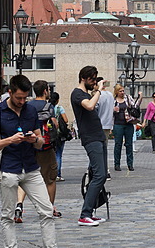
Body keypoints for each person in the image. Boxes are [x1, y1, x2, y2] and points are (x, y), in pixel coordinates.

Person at [0, 75, 77, 248]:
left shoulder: (30, 110)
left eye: (25, 98)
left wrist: (33, 139)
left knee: (46, 211)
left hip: (31, 168)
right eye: (19, 98)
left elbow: (41, 140)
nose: (22, 102)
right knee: (8, 216)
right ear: (10, 92)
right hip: (8, 168)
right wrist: (10, 140)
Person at [15, 80, 61, 223]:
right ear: (45, 91)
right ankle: (50, 207)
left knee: (25, 177)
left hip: (29, 145)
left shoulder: (27, 106)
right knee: (50, 179)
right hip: (45, 146)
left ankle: (19, 205)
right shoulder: (49, 106)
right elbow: (55, 124)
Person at [71, 66, 108, 227]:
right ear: (83, 78)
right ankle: (84, 214)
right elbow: (89, 106)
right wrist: (99, 91)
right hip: (91, 138)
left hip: (98, 137)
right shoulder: (77, 94)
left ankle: (90, 212)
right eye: (92, 79)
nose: (94, 82)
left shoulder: (86, 94)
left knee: (98, 175)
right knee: (99, 175)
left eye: (96, 79)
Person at [112, 84, 137, 171]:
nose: (122, 93)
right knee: (118, 144)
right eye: (120, 91)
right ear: (116, 92)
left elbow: (135, 107)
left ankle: (130, 164)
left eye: (123, 91)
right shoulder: (113, 101)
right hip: (118, 124)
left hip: (128, 124)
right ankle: (117, 164)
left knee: (129, 144)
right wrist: (113, 110)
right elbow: (109, 113)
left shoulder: (128, 98)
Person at [52, 92, 68, 181]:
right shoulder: (59, 108)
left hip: (50, 134)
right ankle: (58, 174)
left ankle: (51, 173)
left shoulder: (47, 107)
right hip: (59, 134)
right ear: (57, 100)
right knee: (58, 154)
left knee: (51, 154)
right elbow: (66, 120)